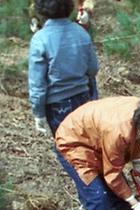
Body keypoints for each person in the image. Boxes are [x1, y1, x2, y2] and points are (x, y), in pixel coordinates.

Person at [28, 0, 98, 136]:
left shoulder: (40, 39)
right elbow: (93, 69)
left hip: (57, 105)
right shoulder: (81, 32)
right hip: (83, 99)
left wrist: (39, 113)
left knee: (65, 149)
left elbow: (37, 83)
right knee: (84, 144)